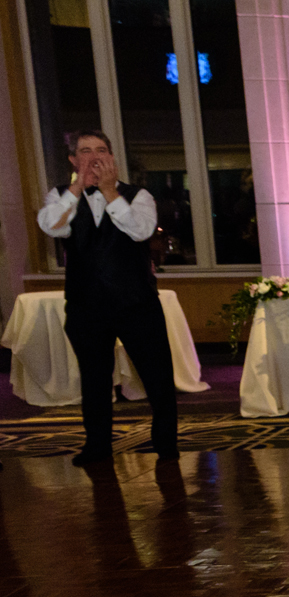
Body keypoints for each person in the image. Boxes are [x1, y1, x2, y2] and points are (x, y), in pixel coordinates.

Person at [37, 129, 177, 466]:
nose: (94, 156)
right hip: (87, 306)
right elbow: (52, 226)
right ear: (73, 159)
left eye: (101, 150)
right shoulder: (59, 196)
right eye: (85, 151)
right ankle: (97, 446)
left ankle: (166, 444)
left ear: (112, 158)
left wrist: (111, 192)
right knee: (95, 380)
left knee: (157, 376)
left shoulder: (137, 194)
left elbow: (141, 231)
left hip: (136, 303)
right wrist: (76, 188)